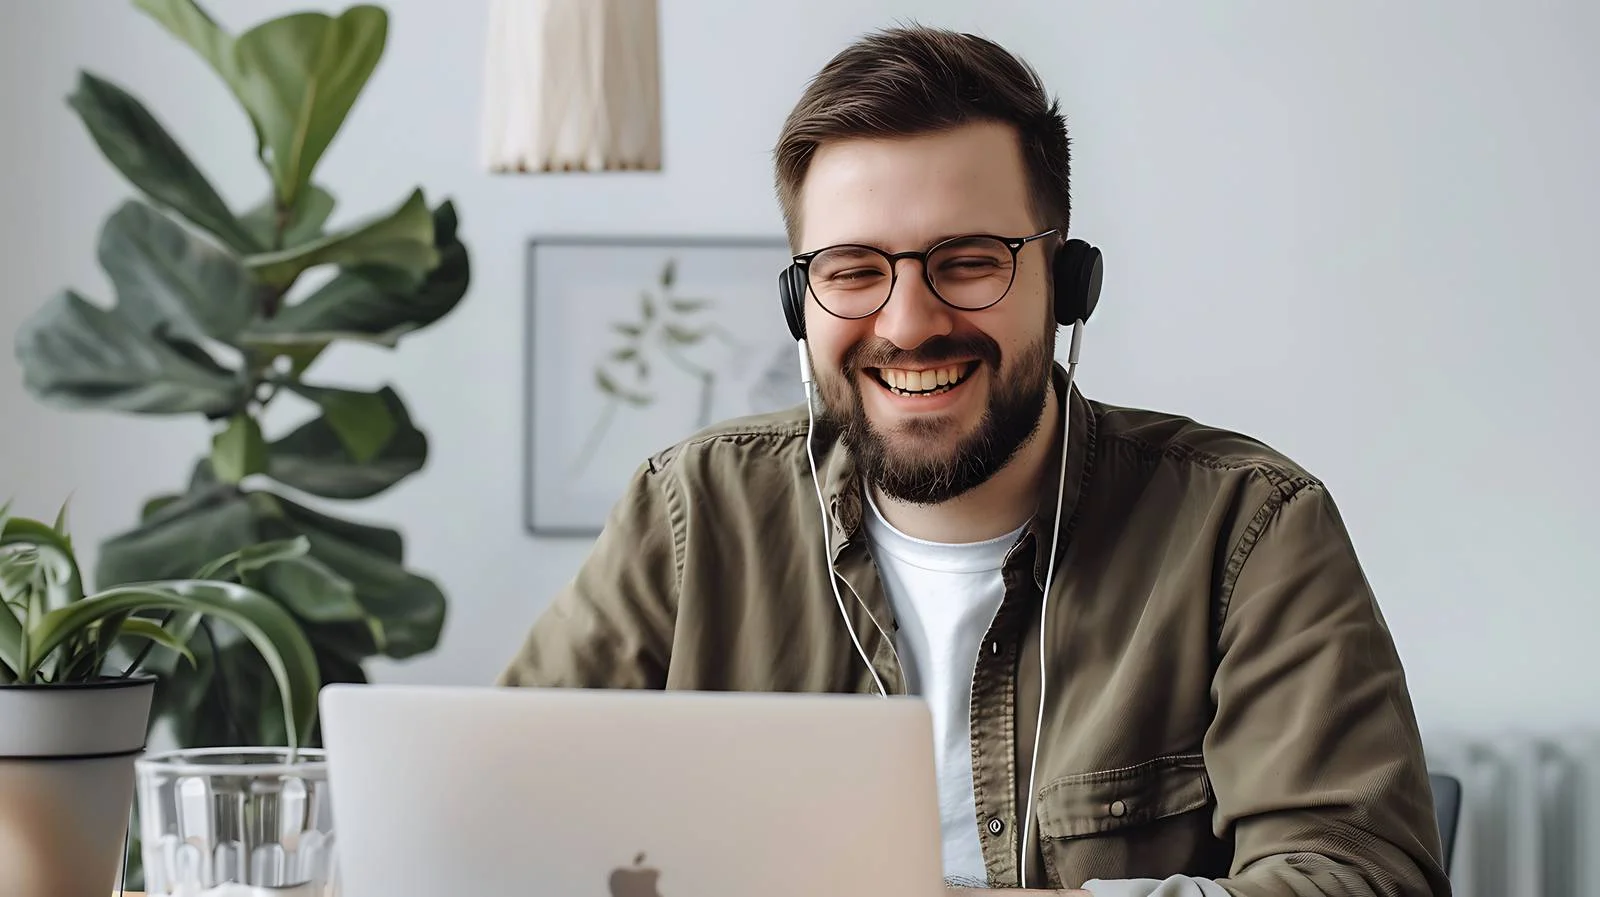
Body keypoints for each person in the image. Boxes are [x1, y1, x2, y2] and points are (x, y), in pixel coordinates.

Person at [499, 24, 1450, 897]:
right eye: (854, 271)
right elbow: (496, 811)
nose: (909, 324)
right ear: (802, 302)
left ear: (1066, 286)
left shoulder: (1249, 527)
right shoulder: (692, 510)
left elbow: (1359, 879)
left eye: (967, 260)